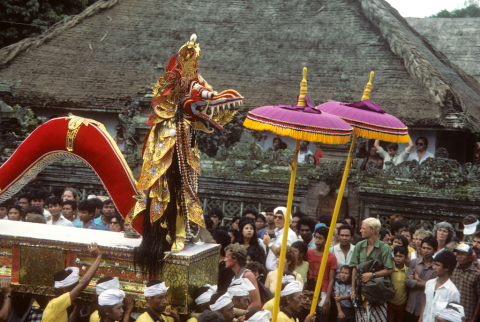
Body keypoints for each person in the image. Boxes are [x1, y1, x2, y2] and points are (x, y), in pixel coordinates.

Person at [42, 242, 102, 321]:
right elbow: (84, 282)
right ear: (65, 289)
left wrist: (77, 308)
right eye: (75, 288)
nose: (78, 292)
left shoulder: (60, 306)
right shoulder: (56, 304)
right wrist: (98, 256)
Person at [350, 217, 393, 322]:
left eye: (363, 228)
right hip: (361, 290)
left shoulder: (384, 248)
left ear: (372, 230)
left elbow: (389, 269)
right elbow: (354, 269)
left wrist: (372, 275)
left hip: (377, 291)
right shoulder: (359, 246)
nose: (360, 230)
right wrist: (353, 290)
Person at [305, 226, 337, 319]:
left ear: (326, 240)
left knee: (323, 316)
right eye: (316, 237)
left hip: (323, 291)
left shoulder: (331, 257)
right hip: (310, 289)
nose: (317, 240)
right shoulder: (308, 253)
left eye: (320, 238)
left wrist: (327, 299)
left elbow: (331, 279)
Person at [419, 251, 460, 322]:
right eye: (434, 264)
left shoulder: (453, 292)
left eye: (437, 265)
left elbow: (452, 317)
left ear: (446, 268)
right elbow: (426, 304)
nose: (434, 267)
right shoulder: (429, 283)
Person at [405, 236, 437, 322]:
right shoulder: (414, 262)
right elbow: (408, 282)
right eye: (424, 248)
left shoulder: (436, 266)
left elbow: (436, 287)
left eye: (429, 248)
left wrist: (417, 279)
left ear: (434, 251)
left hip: (427, 308)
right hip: (411, 305)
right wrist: (428, 284)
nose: (425, 250)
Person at [224, 243, 261, 310]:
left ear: (235, 259)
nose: (224, 260)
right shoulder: (234, 278)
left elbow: (256, 303)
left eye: (227, 257)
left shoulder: (247, 275)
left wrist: (242, 315)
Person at [450, 244, 480, 322]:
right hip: (452, 314)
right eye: (458, 254)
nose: (459, 256)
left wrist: (474, 318)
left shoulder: (476, 274)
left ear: (470, 257)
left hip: (468, 316)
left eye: (463, 254)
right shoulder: (452, 270)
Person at [263, 207, 298, 271]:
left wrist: (269, 243)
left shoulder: (290, 235)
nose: (277, 219)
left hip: (281, 273)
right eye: (275, 217)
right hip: (270, 272)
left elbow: (284, 256)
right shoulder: (276, 232)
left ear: (286, 219)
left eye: (280, 217)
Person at [387, 246, 408, 322]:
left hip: (402, 303)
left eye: (400, 256)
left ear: (406, 257)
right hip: (390, 302)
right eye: (396, 256)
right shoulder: (390, 269)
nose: (397, 258)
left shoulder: (407, 271)